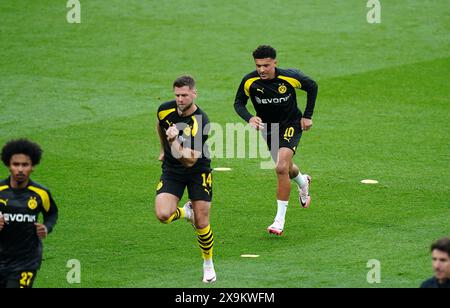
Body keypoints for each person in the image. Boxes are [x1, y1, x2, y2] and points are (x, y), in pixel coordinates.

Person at [234, 45, 318, 236]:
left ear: (275, 63)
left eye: (266, 65)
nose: (261, 70)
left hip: (291, 124)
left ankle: (279, 220)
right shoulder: (249, 81)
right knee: (287, 168)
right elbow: (238, 102)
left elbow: (312, 86)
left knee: (280, 167)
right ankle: (303, 181)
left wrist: (307, 115)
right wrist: (249, 117)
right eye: (258, 66)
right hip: (269, 129)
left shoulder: (289, 77)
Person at [155, 75, 216, 283]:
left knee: (202, 221)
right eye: (177, 95)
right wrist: (164, 147)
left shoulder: (201, 122)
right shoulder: (165, 109)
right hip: (172, 170)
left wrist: (173, 142)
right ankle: (185, 212)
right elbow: (160, 123)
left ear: (194, 94)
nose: (180, 99)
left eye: (184, 95)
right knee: (163, 214)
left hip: (197, 170)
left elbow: (190, 161)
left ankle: (208, 264)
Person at [0, 139, 58, 288]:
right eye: (15, 164)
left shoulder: (41, 193)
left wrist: (46, 227)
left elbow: (51, 213)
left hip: (26, 261)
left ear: (32, 167)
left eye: (25, 165)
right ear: (8, 165)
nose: (20, 169)